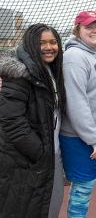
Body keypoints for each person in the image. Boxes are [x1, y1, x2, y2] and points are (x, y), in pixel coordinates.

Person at [0, 23, 66, 217]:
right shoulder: (20, 76)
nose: (49, 47)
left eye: (53, 42)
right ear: (30, 45)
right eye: (42, 43)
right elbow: (10, 119)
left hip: (47, 154)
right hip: (26, 159)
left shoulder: (50, 70)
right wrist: (39, 151)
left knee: (48, 203)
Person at [60, 11, 96, 217]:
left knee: (84, 187)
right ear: (77, 29)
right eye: (89, 26)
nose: (95, 30)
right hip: (80, 137)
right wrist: (93, 138)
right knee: (83, 190)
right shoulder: (74, 57)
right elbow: (76, 102)